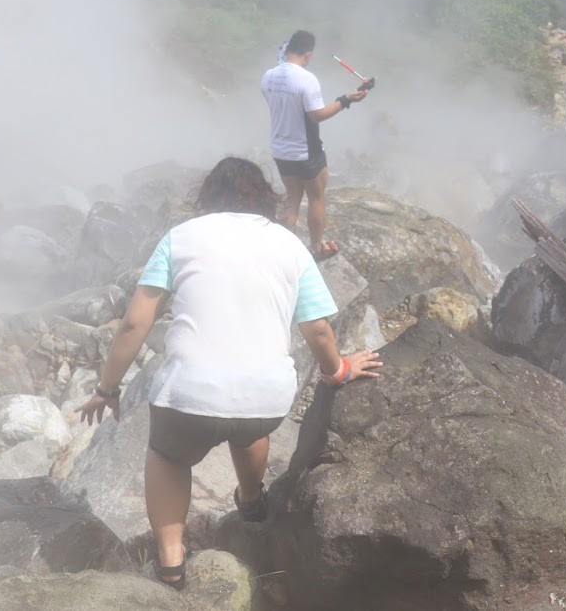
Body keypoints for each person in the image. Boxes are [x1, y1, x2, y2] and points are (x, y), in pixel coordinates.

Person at [76, 157, 382, 590]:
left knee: (167, 454)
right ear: (265, 199)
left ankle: (170, 566)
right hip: (267, 402)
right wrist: (340, 370)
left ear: (206, 197)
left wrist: (107, 388)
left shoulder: (181, 237)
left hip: (189, 397)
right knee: (248, 425)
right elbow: (316, 327)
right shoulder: (289, 244)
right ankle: (252, 501)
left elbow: (133, 324)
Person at [261, 30, 369, 260]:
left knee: (292, 200)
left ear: (288, 48)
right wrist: (345, 100)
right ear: (308, 54)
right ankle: (316, 247)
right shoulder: (306, 79)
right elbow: (316, 115)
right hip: (306, 150)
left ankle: (281, 253)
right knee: (316, 198)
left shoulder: (268, 76)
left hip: (281, 150)